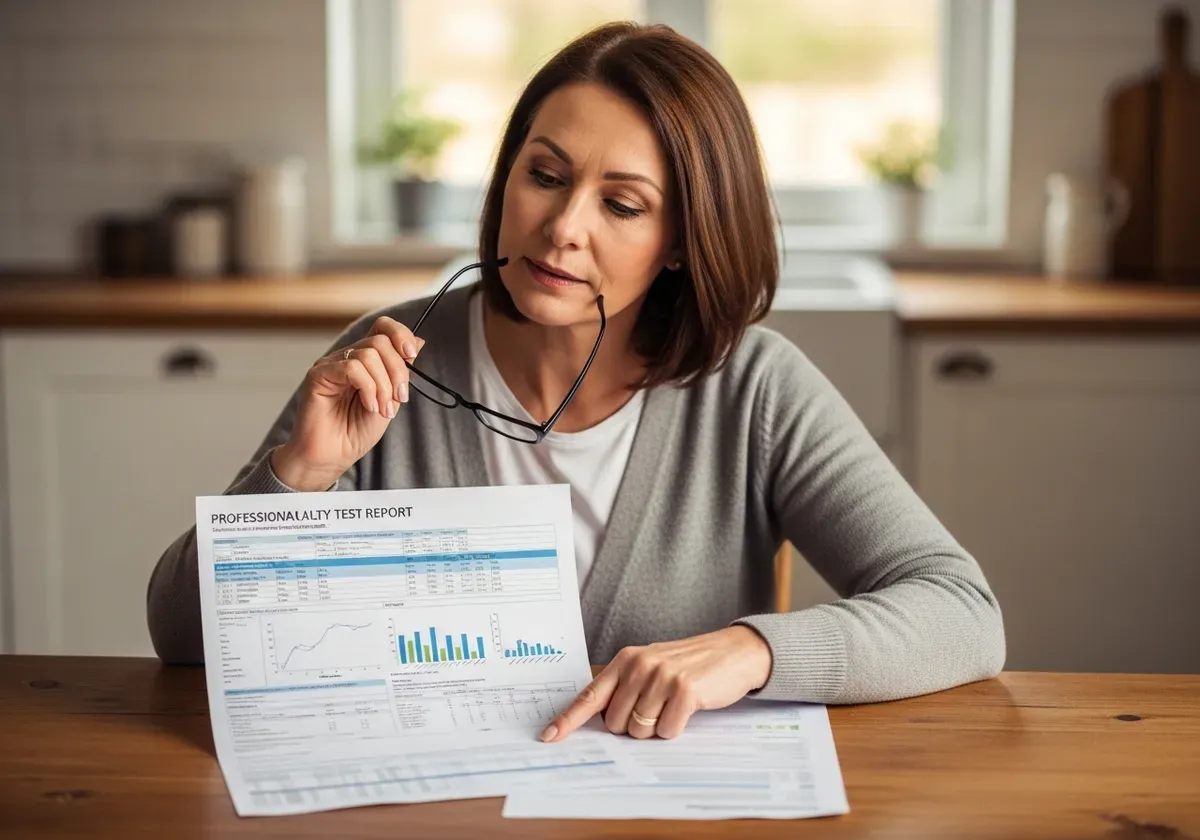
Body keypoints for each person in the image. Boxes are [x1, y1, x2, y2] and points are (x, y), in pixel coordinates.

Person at [147, 21, 1004, 743]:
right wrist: (300, 474)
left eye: (621, 205)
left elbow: (961, 611)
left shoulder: (754, 388)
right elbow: (183, 639)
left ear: (681, 241)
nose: (562, 227)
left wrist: (750, 652)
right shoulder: (387, 358)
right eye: (545, 176)